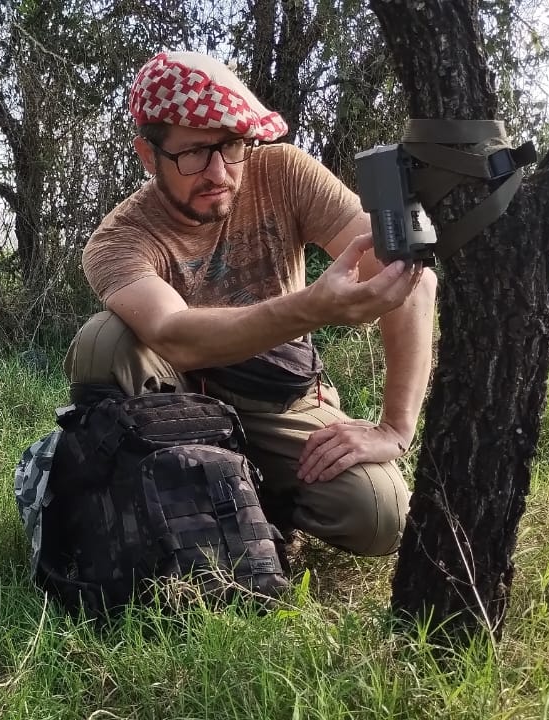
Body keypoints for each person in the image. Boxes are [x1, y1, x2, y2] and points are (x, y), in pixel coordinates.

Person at [64, 51, 437, 557]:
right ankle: (143, 493)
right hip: (181, 400)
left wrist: (395, 428)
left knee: (380, 514)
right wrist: (312, 307)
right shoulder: (120, 238)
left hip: (282, 395)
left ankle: (256, 497)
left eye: (233, 147)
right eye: (194, 153)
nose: (219, 172)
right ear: (149, 156)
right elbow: (174, 335)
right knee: (103, 341)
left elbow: (411, 278)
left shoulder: (283, 172)